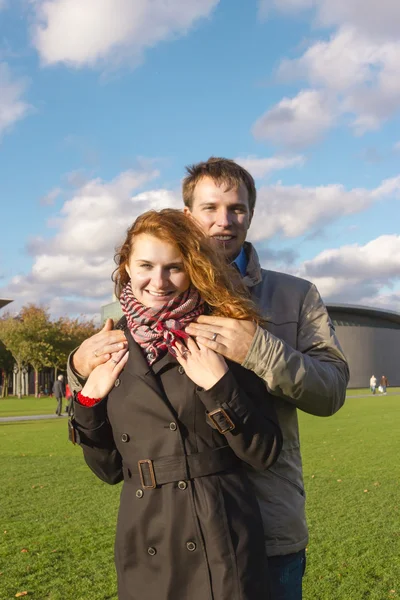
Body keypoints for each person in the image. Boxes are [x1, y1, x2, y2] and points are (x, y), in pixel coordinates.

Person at [68, 157, 349, 600]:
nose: (224, 221)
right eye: (210, 207)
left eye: (237, 209)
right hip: (170, 527)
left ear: (251, 215)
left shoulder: (294, 296)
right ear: (187, 216)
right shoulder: (151, 300)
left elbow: (331, 389)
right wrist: (77, 367)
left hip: (267, 518)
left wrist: (257, 349)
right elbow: (114, 404)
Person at [69, 209, 283, 600]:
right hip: (144, 534)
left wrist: (219, 386)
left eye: (175, 267)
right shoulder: (110, 347)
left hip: (219, 534)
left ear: (194, 269)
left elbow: (264, 451)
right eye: (146, 265)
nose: (159, 281)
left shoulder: (225, 332)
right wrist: (87, 401)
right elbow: (108, 470)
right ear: (127, 267)